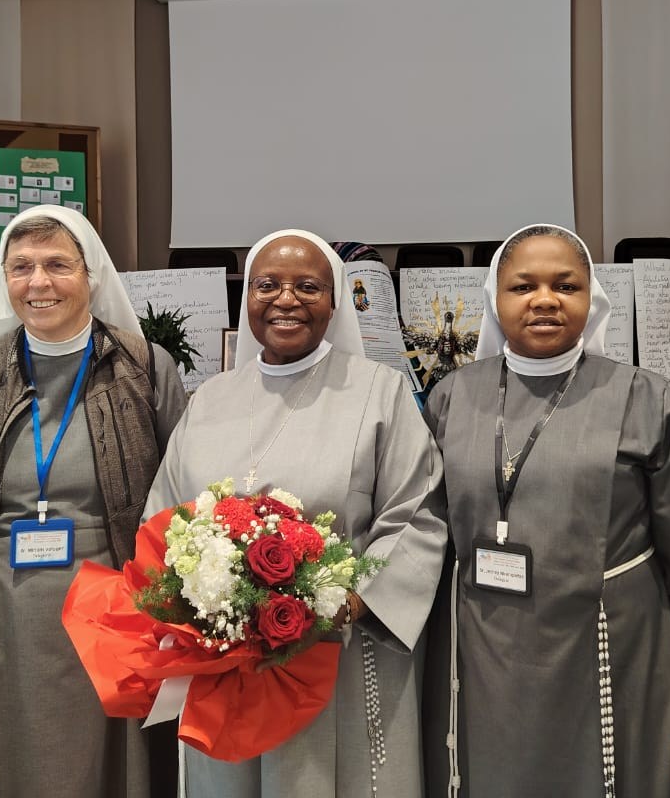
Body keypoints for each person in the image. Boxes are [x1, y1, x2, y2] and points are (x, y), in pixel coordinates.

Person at [423, 224, 670, 798]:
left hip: (611, 649)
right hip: (484, 655)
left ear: (592, 297)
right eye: (523, 287)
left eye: (565, 285)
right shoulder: (452, 395)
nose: (545, 300)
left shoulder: (644, 395)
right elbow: (426, 538)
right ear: (496, 299)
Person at [144, 228, 446, 798]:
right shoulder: (210, 398)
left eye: (308, 286)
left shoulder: (379, 392)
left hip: (338, 651)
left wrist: (346, 601)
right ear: (248, 298)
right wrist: (194, 599)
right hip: (225, 663)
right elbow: (164, 514)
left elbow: (417, 514)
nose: (286, 299)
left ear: (334, 303)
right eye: (268, 285)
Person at [0, 206, 187, 798]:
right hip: (2, 605)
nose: (38, 282)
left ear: (90, 275)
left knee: (106, 760)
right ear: (4, 278)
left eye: (56, 265)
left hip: (117, 599)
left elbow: (181, 495)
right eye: (21, 267)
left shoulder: (143, 368)